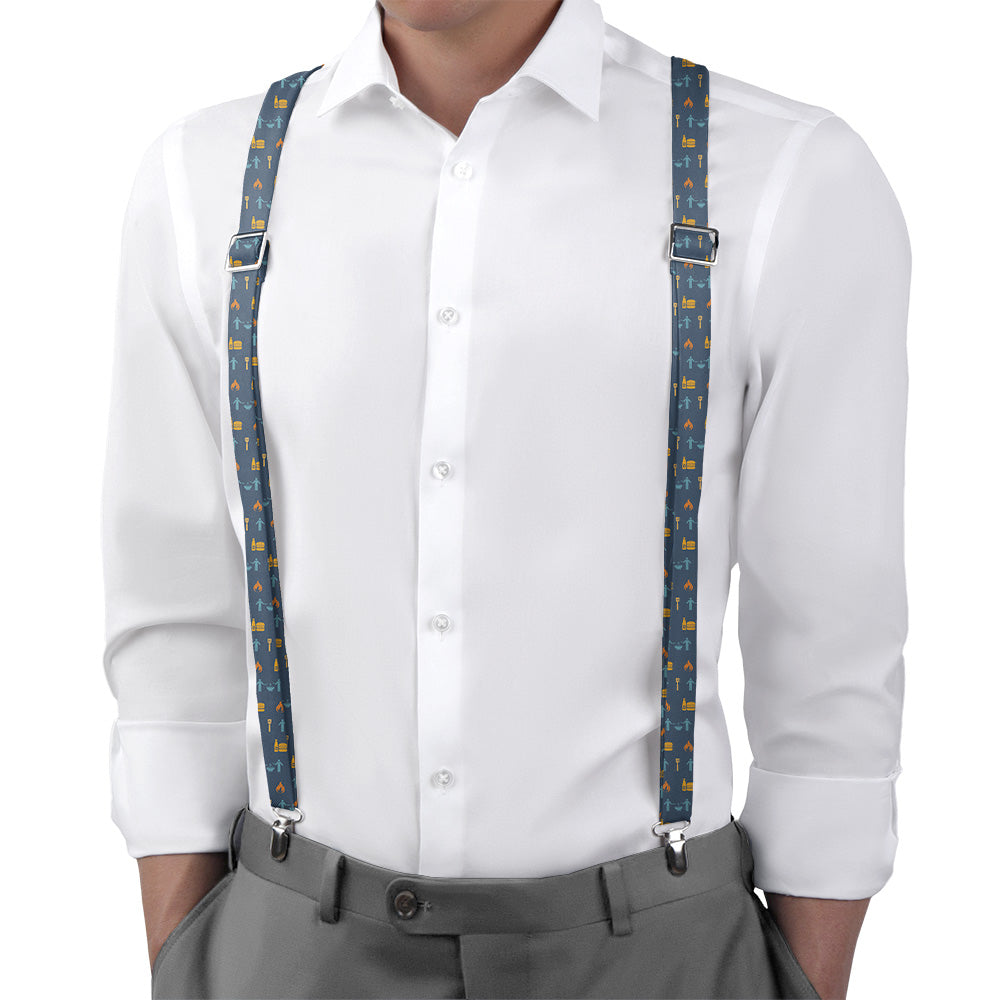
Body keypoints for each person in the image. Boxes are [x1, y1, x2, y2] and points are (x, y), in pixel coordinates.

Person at [101, 1, 910, 998]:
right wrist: (187, 962)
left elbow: (830, 643)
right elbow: (174, 622)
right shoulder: (205, 181)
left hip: (659, 957)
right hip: (288, 949)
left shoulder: (788, 176)